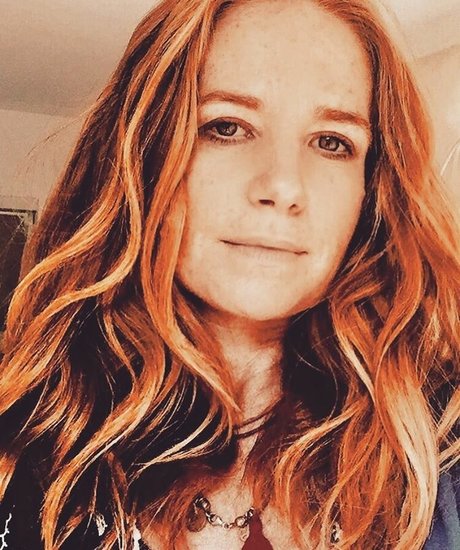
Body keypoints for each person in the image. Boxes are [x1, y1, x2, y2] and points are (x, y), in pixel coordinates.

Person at [0, 0, 459, 548]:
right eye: (227, 126)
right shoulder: (24, 433)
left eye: (332, 141)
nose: (284, 186)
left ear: (371, 192)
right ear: (142, 155)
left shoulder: (437, 451)